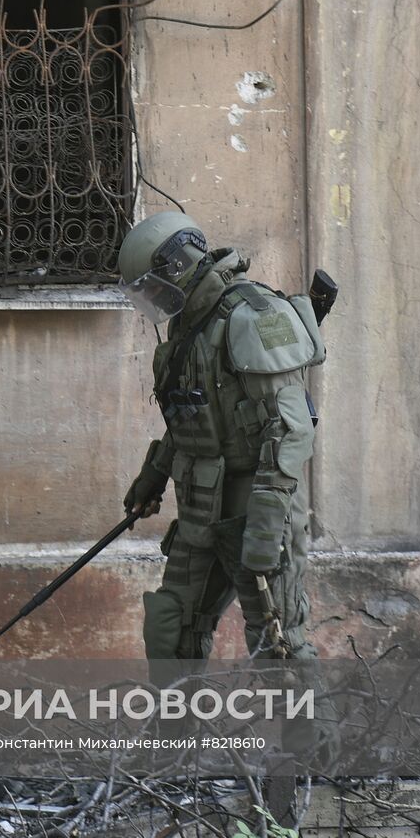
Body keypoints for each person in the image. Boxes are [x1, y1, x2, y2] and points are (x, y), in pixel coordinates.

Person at [118, 211, 326, 663]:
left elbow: (290, 431)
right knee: (171, 630)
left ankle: (312, 737)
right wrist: (153, 476)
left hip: (256, 510)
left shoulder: (251, 317)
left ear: (178, 268)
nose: (151, 299)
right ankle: (176, 734)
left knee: (280, 649)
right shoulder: (188, 325)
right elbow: (191, 416)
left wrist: (267, 532)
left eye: (152, 287)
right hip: (200, 511)